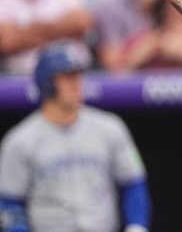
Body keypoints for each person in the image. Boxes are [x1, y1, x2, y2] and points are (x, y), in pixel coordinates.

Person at [0, 42, 151, 232]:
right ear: (46, 83)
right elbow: (10, 204)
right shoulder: (20, 141)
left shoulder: (110, 128)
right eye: (67, 77)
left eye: (78, 76)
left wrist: (136, 227)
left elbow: (133, 183)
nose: (76, 83)